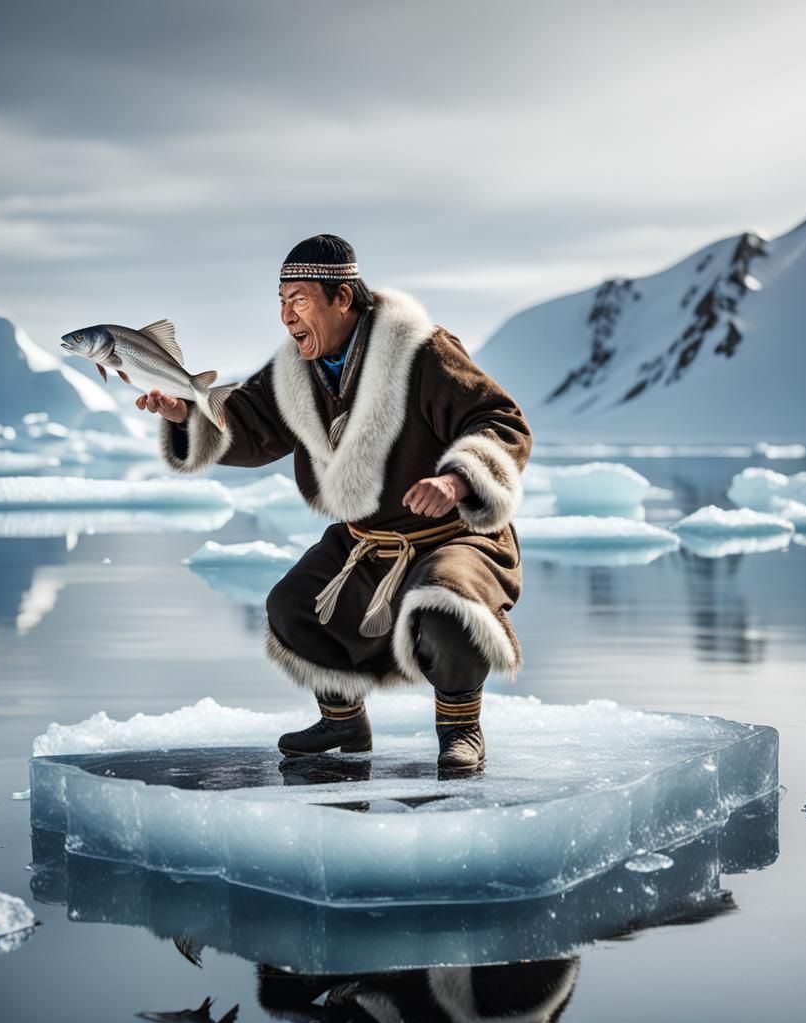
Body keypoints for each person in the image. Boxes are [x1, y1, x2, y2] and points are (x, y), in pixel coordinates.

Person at [138, 235, 531, 773]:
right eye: (280, 301)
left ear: (341, 298)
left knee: (449, 606)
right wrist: (186, 415)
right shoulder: (297, 371)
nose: (285, 316)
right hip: (367, 543)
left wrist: (458, 481)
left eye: (297, 299)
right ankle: (343, 719)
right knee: (290, 605)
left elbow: (500, 422)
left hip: (456, 537)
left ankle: (461, 727)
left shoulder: (422, 351)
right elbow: (249, 423)